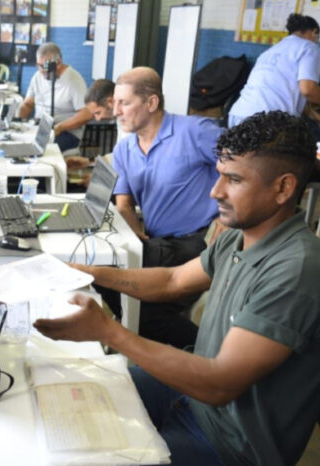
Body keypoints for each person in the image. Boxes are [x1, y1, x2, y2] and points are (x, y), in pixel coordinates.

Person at [35, 111, 320, 466]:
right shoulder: (241, 238)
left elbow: (219, 385)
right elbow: (172, 280)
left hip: (228, 444)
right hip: (188, 396)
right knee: (63, 397)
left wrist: (110, 332)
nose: (216, 191)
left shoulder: (300, 270)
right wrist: (86, 273)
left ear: (283, 187)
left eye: (233, 180)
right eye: (218, 176)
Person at [108, 67, 223, 349]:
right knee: (130, 294)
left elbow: (245, 166)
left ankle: (205, 354)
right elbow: (124, 203)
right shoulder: (124, 150)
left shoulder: (195, 131)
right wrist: (136, 237)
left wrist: (227, 218)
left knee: (110, 275)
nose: (115, 111)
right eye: (114, 103)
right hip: (158, 241)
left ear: (151, 103)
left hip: (199, 240)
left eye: (124, 103)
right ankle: (194, 346)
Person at [228, 13, 320, 128]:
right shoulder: (309, 47)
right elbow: (308, 89)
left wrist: (319, 119)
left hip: (238, 114)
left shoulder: (272, 50)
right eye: (318, 38)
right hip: (267, 120)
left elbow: (291, 99)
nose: (317, 41)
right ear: (314, 32)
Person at [18, 42, 93, 152]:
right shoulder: (38, 77)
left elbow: (87, 113)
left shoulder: (74, 80)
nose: (41, 70)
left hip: (67, 132)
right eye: (39, 65)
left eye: (45, 66)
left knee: (41, 149)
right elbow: (28, 104)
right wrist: (19, 122)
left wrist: (60, 127)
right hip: (40, 126)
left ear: (58, 63)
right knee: (20, 142)